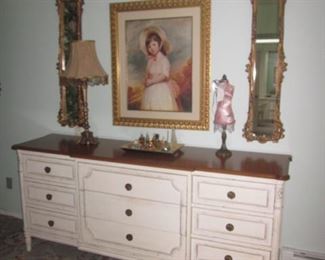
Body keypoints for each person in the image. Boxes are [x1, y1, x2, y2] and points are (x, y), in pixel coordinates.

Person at [139, 26, 179, 111]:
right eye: (149, 47)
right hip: (150, 90)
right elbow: (148, 74)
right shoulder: (150, 61)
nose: (152, 48)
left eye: (154, 44)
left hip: (161, 90)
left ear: (159, 44)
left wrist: (152, 82)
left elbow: (165, 75)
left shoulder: (164, 59)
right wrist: (146, 81)